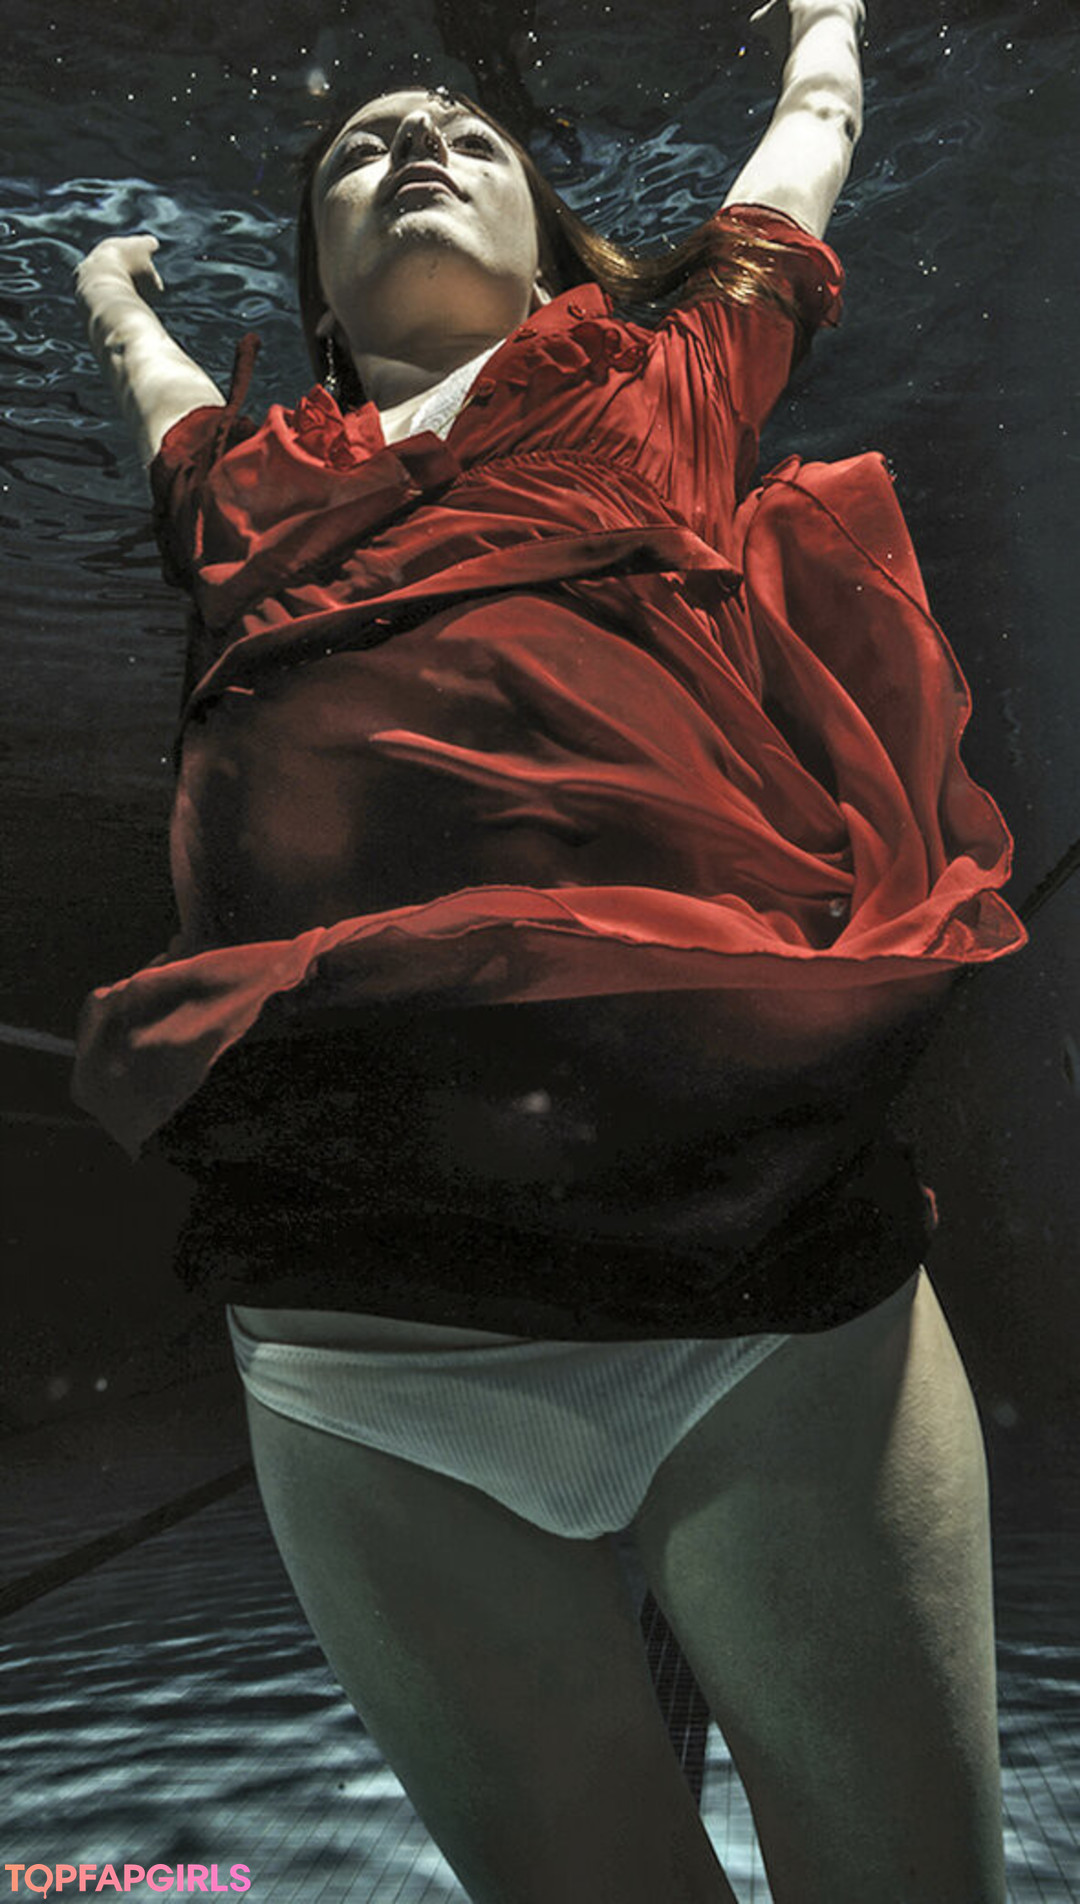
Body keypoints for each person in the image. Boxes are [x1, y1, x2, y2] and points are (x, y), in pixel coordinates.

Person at [72, 1, 1020, 1898]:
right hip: (355, 1332)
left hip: (757, 1281)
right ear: (319, 277)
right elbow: (150, 376)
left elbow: (806, 145)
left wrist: (828, 23)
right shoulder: (240, 491)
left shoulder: (665, 376)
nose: (414, 147)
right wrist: (109, 286)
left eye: (465, 134)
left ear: (546, 241)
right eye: (359, 148)